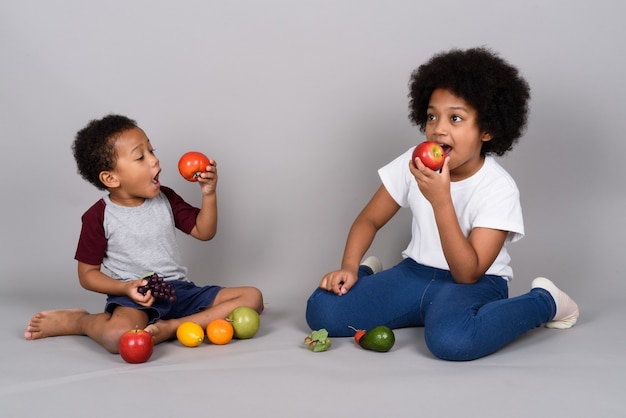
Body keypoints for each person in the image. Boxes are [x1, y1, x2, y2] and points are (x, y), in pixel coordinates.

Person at [305, 47, 579, 361]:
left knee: (453, 341)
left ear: (487, 129)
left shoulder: (498, 188)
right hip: (414, 273)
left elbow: (468, 273)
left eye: (456, 118)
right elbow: (369, 220)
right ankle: (369, 275)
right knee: (322, 311)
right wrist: (350, 267)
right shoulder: (415, 163)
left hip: (476, 283)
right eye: (432, 116)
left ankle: (546, 301)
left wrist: (441, 201)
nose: (438, 128)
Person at [24, 115, 263, 354]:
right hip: (136, 298)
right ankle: (81, 321)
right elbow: (87, 275)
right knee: (117, 336)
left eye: (152, 150)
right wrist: (126, 288)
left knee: (253, 298)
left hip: (180, 291)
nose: (154, 160)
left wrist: (209, 193)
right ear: (111, 178)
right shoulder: (98, 216)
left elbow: (204, 231)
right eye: (141, 157)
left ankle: (172, 327)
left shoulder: (166, 198)